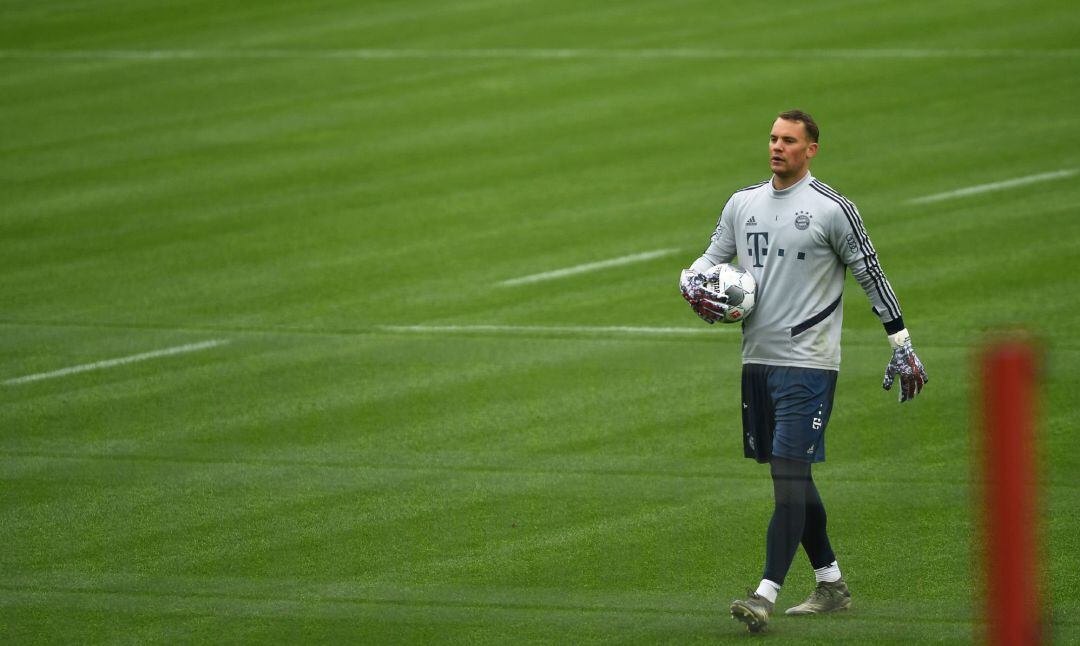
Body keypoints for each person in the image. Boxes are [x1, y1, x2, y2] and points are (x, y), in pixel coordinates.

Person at [678, 109, 928, 633]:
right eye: (773, 138)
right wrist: (692, 285)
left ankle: (764, 594)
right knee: (791, 476)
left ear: (811, 149)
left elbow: (871, 273)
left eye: (789, 140)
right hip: (757, 361)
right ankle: (831, 584)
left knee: (788, 474)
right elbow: (708, 262)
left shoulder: (832, 210)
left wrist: (900, 343)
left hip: (809, 364)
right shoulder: (742, 204)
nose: (777, 147)